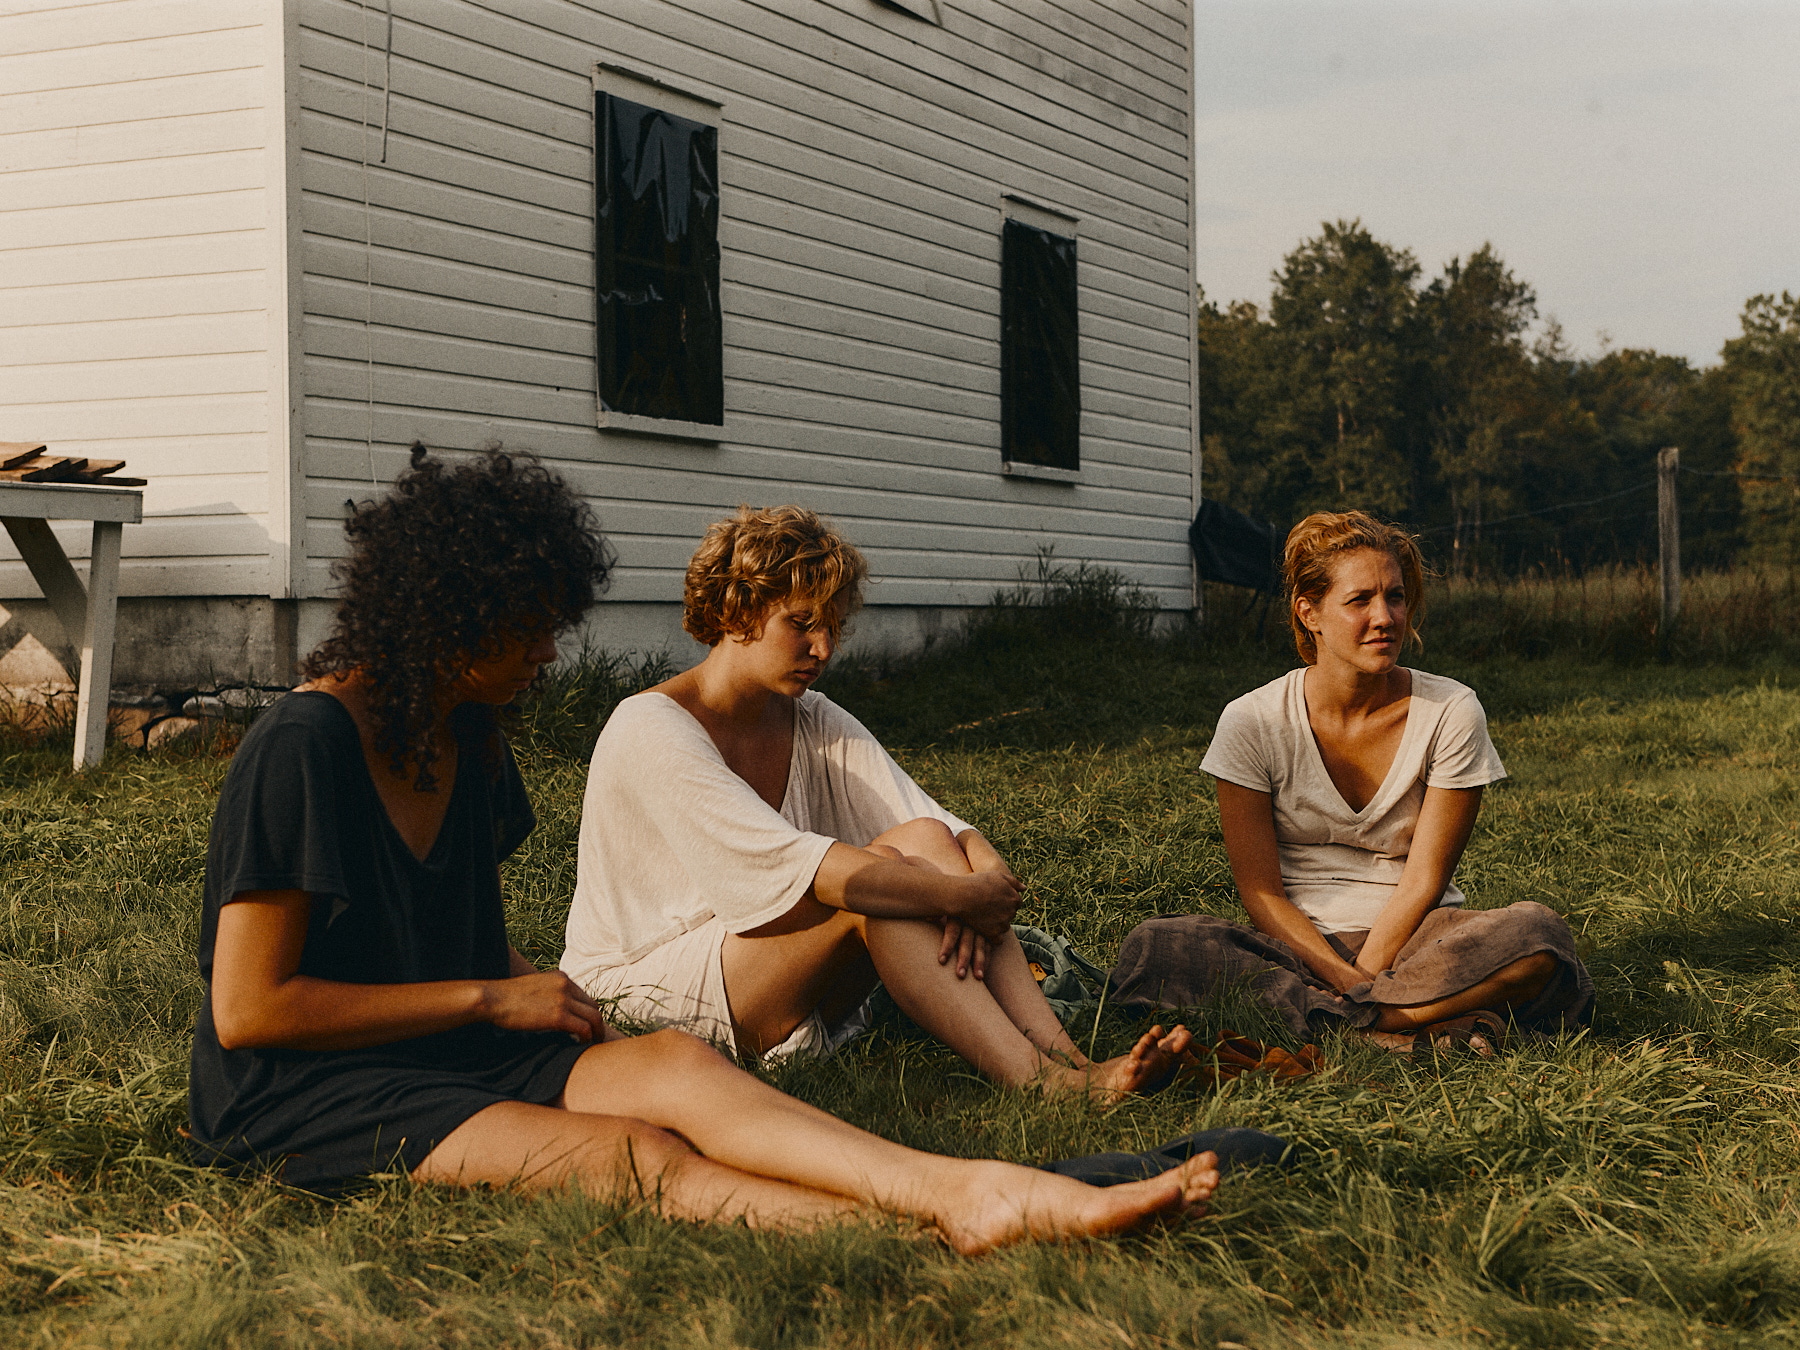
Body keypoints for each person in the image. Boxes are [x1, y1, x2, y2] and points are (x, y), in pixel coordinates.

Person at [186, 448, 1219, 1251]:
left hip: (452, 1045)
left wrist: (541, 995)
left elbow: (446, 931)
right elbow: (251, 1009)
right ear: (452, 619)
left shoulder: (468, 734)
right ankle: (942, 1221)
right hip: (309, 1091)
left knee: (676, 1067)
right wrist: (494, 999)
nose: (550, 651)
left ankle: (972, 1185)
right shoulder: (305, 746)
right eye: (529, 627)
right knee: (634, 1154)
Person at [560, 505, 1196, 1098]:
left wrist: (986, 875)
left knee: (920, 846)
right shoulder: (651, 726)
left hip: (762, 958)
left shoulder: (808, 716)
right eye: (801, 624)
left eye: (832, 627)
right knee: (875, 890)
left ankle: (1071, 1060)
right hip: (646, 982)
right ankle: (1041, 1084)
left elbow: (934, 825)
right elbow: (799, 870)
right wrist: (956, 897)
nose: (823, 649)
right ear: (737, 611)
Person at [1114, 510, 1592, 1055]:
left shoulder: (1451, 711)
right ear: (1309, 612)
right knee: (1153, 948)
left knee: (1539, 936)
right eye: (1359, 600)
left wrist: (1362, 981)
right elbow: (1262, 893)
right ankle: (1423, 1025)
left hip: (1420, 941)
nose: (1384, 617)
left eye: (1395, 597)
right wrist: (1340, 976)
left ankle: (1353, 1024)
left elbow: (1424, 880)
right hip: (1294, 948)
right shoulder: (1252, 721)